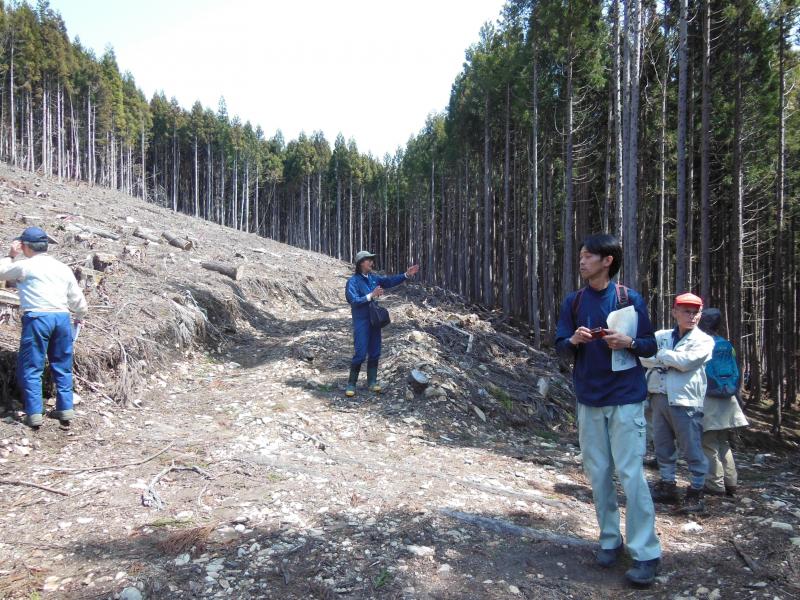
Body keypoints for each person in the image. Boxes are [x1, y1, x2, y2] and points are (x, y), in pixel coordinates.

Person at [555, 233, 661, 587]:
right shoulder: (574, 301)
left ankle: (645, 551)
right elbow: (560, 347)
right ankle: (609, 539)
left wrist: (628, 342)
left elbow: (648, 345)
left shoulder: (629, 299)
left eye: (588, 256)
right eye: (581, 255)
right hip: (589, 400)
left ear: (607, 261)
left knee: (631, 474)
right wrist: (574, 340)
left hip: (627, 398)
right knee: (599, 474)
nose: (581, 261)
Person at [0, 227, 87, 428]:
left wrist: (10, 255)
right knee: (62, 365)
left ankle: (34, 413)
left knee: (32, 366)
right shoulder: (62, 268)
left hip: (37, 317)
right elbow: (78, 300)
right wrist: (80, 315)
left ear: (25, 246)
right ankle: (65, 410)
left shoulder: (24, 266)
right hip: (62, 318)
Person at [640, 293, 714, 513]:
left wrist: (660, 356)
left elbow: (686, 362)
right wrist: (667, 357)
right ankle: (667, 484)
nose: (692, 316)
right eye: (687, 311)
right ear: (675, 312)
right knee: (662, 444)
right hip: (659, 396)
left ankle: (696, 491)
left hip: (686, 400)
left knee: (692, 447)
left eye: (696, 312)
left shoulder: (704, 340)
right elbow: (644, 357)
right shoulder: (661, 335)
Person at [344, 251, 418, 397]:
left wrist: (406, 275)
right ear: (360, 263)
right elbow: (353, 300)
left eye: (372, 260)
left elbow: (389, 281)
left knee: (375, 351)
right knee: (360, 353)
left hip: (374, 320)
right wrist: (371, 295)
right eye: (369, 260)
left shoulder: (373, 278)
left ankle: (372, 382)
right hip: (361, 321)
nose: (372, 262)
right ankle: (351, 384)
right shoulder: (352, 281)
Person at [698, 308, 748, 497]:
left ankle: (715, 484)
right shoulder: (727, 345)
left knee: (708, 443)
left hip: (709, 398)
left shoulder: (703, 344)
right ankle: (731, 482)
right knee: (723, 441)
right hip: (728, 399)